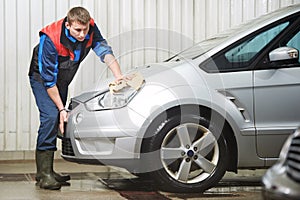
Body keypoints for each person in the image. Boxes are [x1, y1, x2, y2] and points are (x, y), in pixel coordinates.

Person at [28, 7, 123, 190]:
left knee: (58, 120)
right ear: (67, 24)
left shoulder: (90, 28)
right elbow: (48, 81)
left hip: (62, 78)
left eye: (85, 30)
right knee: (50, 116)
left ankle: (45, 172)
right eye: (77, 30)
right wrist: (62, 109)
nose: (82, 34)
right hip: (42, 79)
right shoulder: (50, 39)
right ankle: (44, 174)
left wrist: (119, 76)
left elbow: (103, 50)